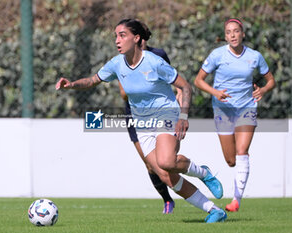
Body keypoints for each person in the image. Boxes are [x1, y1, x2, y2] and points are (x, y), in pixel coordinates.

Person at [56, 18, 227, 223]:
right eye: (116, 36)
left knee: (166, 161)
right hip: (142, 124)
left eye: (122, 35)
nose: (117, 41)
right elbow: (93, 80)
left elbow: (186, 87)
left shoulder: (154, 62)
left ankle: (203, 173)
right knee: (166, 176)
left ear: (136, 38)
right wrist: (71, 84)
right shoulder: (116, 64)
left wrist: (183, 116)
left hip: (166, 113)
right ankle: (214, 211)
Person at [194, 18, 276, 212]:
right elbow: (198, 81)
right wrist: (216, 93)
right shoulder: (217, 55)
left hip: (247, 107)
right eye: (229, 32)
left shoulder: (254, 56)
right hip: (223, 110)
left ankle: (236, 200)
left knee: (242, 152)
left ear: (242, 34)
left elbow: (271, 80)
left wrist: (262, 91)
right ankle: (205, 173)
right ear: (225, 36)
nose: (232, 35)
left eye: (236, 31)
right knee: (231, 160)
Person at [118, 22, 175, 214]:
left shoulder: (158, 56)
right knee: (151, 166)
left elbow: (171, 81)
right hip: (136, 117)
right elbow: (124, 94)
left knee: (165, 163)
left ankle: (195, 181)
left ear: (139, 38)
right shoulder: (123, 60)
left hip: (160, 114)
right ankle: (167, 200)